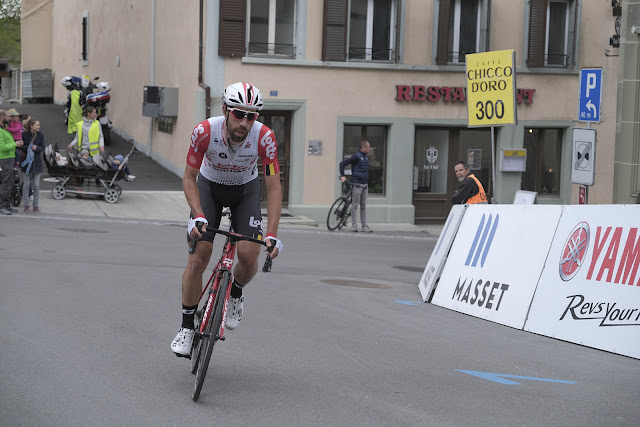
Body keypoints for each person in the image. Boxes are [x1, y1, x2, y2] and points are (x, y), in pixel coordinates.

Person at [170, 82, 283, 357]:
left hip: (245, 191)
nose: (244, 122)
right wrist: (197, 214)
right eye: (238, 114)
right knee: (200, 256)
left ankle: (236, 292)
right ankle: (186, 327)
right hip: (210, 188)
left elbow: (274, 186)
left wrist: (272, 234)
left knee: (248, 255)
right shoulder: (205, 131)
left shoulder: (264, 137)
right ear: (225, 110)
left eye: (251, 116)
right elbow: (189, 177)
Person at [339, 140, 373, 233]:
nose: (369, 149)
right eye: (368, 147)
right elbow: (342, 164)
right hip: (357, 185)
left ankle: (364, 226)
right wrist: (343, 175)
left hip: (364, 185)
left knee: (363, 206)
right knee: (355, 205)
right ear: (363, 147)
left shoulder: (366, 157)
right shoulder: (356, 156)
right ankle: (354, 226)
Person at [18, 118, 45, 213]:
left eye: (39, 125)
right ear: (31, 126)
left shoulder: (40, 135)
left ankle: (35, 205)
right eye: (37, 125)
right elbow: (21, 146)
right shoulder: (24, 135)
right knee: (26, 185)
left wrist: (36, 148)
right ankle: (26, 205)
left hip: (37, 164)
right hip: (26, 164)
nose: (39, 126)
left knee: (36, 186)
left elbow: (42, 147)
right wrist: (29, 147)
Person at [0, 109, 22, 215]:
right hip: (5, 159)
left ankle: (7, 205)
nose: (10, 118)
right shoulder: (0, 131)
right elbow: (2, 147)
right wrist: (15, 144)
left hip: (10, 158)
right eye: (8, 116)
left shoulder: (5, 130)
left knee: (10, 183)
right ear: (2, 117)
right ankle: (2, 206)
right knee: (6, 183)